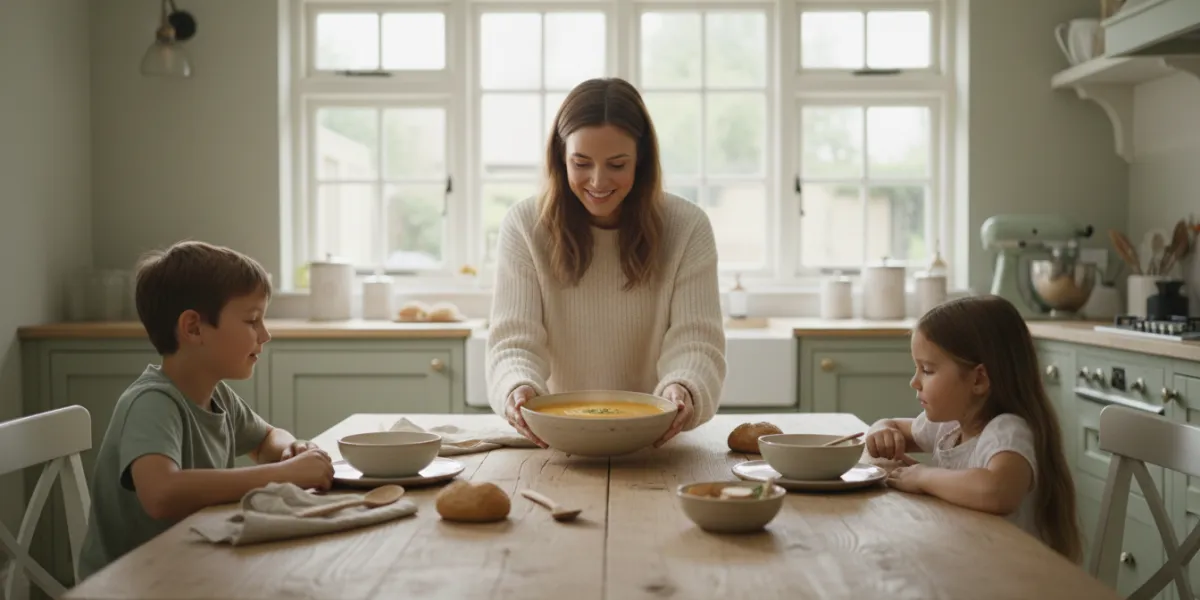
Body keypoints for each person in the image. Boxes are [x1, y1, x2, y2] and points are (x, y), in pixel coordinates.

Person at [486, 77, 727, 449]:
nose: (598, 181)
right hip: (559, 440)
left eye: (617, 164)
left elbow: (696, 340)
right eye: (581, 163)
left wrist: (684, 386)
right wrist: (517, 387)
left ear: (641, 160)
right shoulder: (524, 225)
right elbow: (513, 342)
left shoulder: (688, 226)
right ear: (560, 157)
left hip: (655, 441)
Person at [78, 241, 334, 579]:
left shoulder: (217, 396)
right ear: (194, 328)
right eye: (252, 320)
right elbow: (161, 494)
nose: (265, 335)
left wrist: (291, 449)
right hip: (130, 583)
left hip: (191, 566)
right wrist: (284, 474)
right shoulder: (151, 402)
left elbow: (265, 439)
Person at [865, 295, 1081, 562]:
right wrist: (882, 430)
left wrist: (923, 477)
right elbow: (895, 427)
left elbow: (998, 491)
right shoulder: (950, 426)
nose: (915, 382)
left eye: (927, 370)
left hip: (1016, 574)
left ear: (978, 379)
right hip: (971, 559)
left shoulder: (1007, 431)